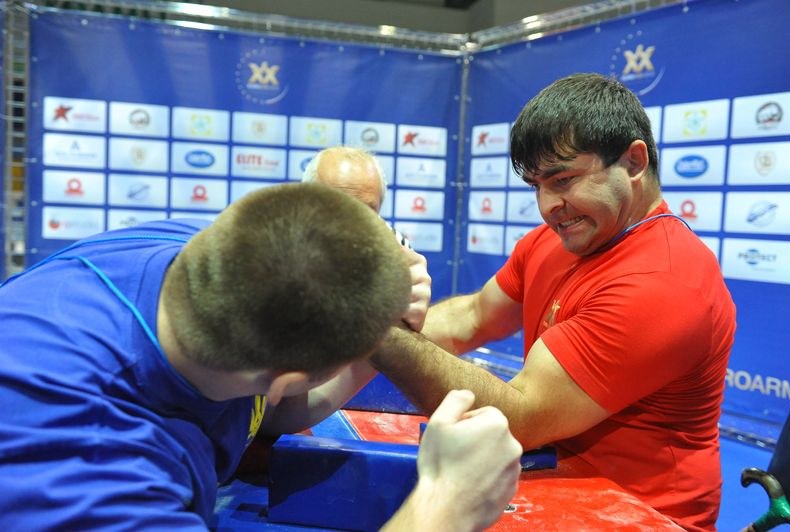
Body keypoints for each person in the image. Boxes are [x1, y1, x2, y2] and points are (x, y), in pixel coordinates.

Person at [0, 183, 521, 530]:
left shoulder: (200, 253)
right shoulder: (87, 466)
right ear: (286, 376)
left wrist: (373, 324)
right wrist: (445, 505)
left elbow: (282, 408)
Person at [369, 73, 736, 531]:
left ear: (634, 162)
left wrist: (370, 327)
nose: (547, 205)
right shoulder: (556, 238)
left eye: (563, 180)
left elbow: (521, 416)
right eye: (536, 185)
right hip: (558, 482)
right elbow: (472, 317)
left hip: (641, 515)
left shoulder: (664, 282)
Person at [303, 145, 430, 331]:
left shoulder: (395, 246)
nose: (348, 226)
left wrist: (408, 322)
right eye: (335, 208)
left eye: (364, 213)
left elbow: (400, 340)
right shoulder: (270, 242)